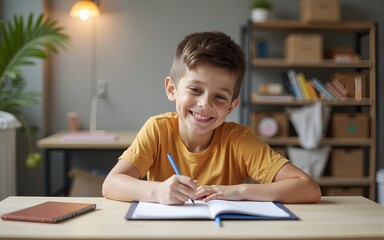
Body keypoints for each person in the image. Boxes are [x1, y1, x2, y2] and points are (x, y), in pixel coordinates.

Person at [102, 31, 321, 204]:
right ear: (172, 89)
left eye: (219, 97)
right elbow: (111, 184)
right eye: (195, 90)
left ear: (231, 107)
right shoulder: (157, 130)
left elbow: (308, 188)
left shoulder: (238, 139)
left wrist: (239, 191)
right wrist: (157, 190)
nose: (205, 104)